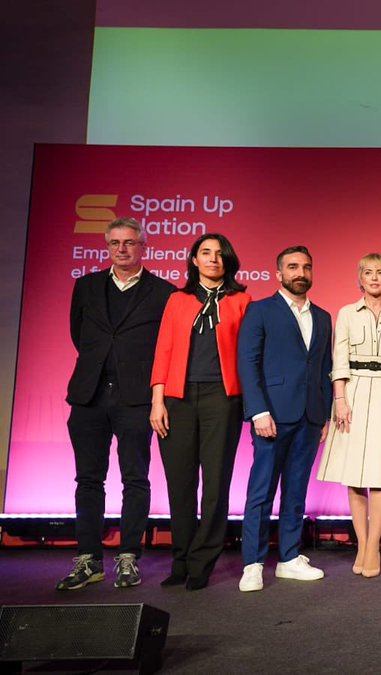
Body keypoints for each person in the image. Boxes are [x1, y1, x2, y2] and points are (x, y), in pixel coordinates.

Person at [57, 217, 174, 591]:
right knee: (88, 479)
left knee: (135, 478)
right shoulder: (86, 286)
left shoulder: (164, 292)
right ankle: (88, 559)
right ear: (107, 246)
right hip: (89, 395)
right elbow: (80, 335)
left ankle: (128, 557)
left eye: (129, 242)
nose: (121, 249)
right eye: (114, 243)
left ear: (143, 247)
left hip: (136, 398)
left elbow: (166, 347)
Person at [149, 233, 251, 591]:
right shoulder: (177, 300)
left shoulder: (242, 301)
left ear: (228, 260)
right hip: (176, 398)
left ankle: (202, 562)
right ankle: (180, 559)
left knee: (216, 483)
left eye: (220, 253)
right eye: (205, 252)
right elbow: (163, 349)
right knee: (180, 483)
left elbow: (248, 354)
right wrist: (158, 400)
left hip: (221, 398)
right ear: (194, 260)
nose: (213, 259)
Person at [237, 245, 333, 592]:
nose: (300, 273)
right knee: (261, 491)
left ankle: (289, 558)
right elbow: (248, 362)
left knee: (296, 490)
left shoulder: (323, 316)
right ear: (278, 274)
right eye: (292, 267)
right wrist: (258, 411)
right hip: (272, 415)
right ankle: (252, 563)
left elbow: (323, 367)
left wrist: (325, 414)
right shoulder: (260, 310)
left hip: (309, 416)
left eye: (306, 267)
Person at [317, 253, 381, 578]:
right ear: (360, 278)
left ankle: (373, 546)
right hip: (354, 392)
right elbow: (339, 359)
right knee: (356, 474)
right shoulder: (346, 313)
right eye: (368, 272)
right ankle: (362, 544)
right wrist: (340, 399)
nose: (374, 277)